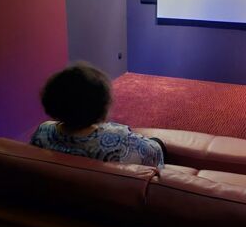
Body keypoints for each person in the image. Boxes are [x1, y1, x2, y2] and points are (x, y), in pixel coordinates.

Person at [30, 62, 164, 168]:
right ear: (102, 104)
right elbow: (154, 153)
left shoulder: (43, 131)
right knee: (157, 142)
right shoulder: (122, 140)